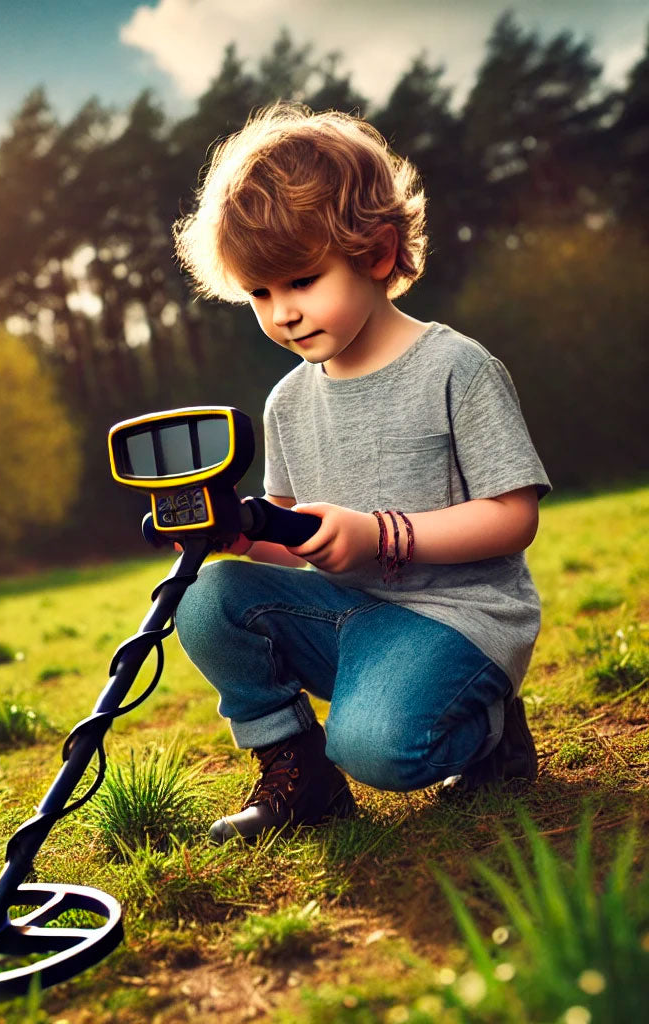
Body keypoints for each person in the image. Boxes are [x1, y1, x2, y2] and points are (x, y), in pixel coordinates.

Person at [171, 103, 551, 844]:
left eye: (302, 281)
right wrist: (246, 534)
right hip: (343, 616)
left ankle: (492, 728)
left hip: (457, 620)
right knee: (207, 597)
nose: (282, 312)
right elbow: (297, 539)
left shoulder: (456, 368)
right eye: (259, 294)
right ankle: (301, 775)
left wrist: (384, 535)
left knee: (377, 748)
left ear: (377, 255)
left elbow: (515, 515)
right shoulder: (288, 400)